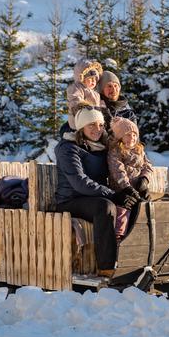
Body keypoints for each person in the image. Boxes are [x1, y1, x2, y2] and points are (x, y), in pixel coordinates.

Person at [54, 106, 141, 277]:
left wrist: (135, 186)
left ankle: (136, 261)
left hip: (96, 197)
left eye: (100, 125)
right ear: (81, 127)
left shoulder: (100, 147)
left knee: (138, 204)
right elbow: (80, 183)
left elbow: (124, 155)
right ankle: (107, 267)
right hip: (71, 200)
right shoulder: (68, 149)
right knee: (106, 207)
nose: (97, 129)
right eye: (92, 125)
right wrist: (113, 195)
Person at [106, 117, 152, 240]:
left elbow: (147, 166)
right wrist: (126, 187)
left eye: (134, 135)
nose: (132, 138)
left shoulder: (139, 150)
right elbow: (117, 171)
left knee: (145, 206)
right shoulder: (115, 151)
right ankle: (118, 238)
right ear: (120, 136)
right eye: (128, 135)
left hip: (137, 190)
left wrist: (145, 179)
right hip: (122, 190)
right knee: (123, 210)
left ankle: (142, 235)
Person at [66, 60, 106, 129]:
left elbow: (100, 104)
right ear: (82, 78)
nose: (93, 81)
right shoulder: (77, 88)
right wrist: (82, 107)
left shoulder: (96, 93)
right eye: (91, 78)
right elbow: (75, 99)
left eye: (95, 79)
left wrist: (104, 110)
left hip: (93, 122)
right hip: (79, 121)